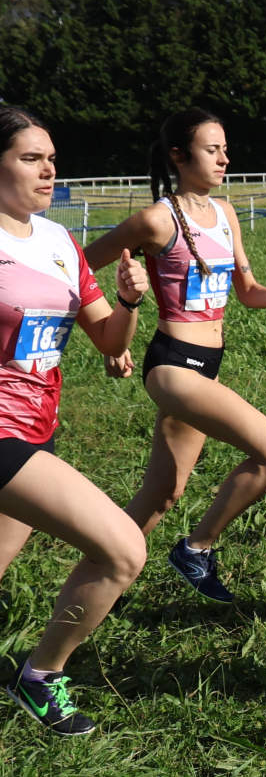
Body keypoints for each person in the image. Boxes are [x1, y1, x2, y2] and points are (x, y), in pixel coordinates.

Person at [83, 108, 266, 604]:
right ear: (179, 157)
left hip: (207, 363)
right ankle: (196, 549)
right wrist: (111, 339)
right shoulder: (154, 220)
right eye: (213, 150)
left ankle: (100, 578)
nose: (225, 158)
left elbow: (246, 291)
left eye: (225, 148)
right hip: (170, 365)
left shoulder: (225, 214)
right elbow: (74, 270)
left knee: (163, 492)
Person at [0, 106, 150, 735]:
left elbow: (108, 337)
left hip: (40, 428)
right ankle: (40, 677)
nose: (49, 169)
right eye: (31, 157)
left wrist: (129, 300)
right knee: (122, 551)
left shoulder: (60, 242)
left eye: (52, 158)